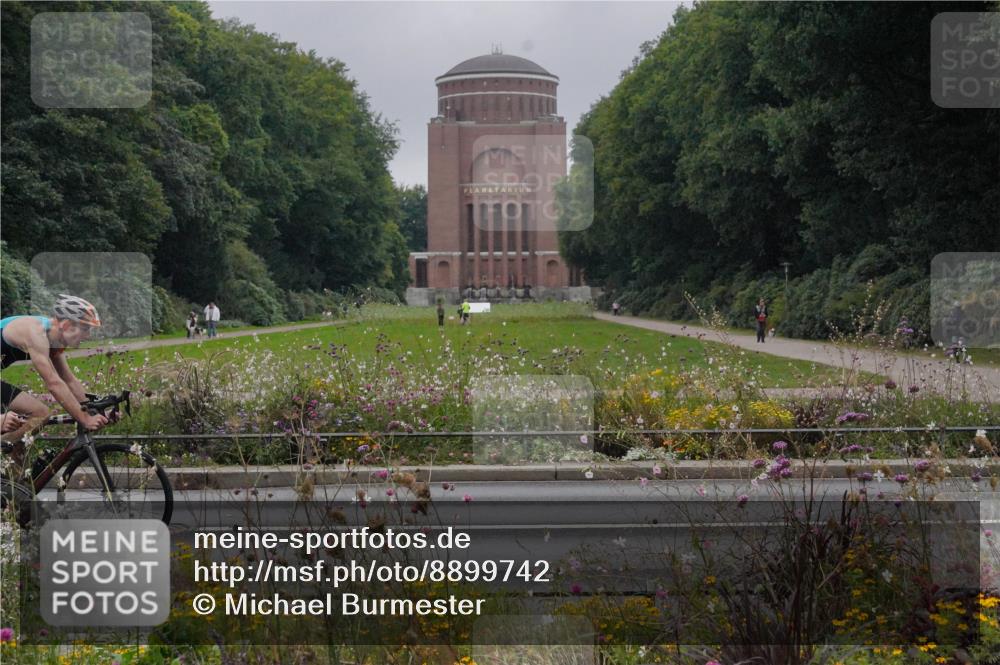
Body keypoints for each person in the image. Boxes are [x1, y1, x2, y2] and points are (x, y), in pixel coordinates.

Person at [1, 295, 109, 452]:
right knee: (40, 413)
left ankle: (8, 455)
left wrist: (92, 410)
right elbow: (53, 383)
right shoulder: (35, 333)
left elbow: (69, 380)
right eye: (85, 329)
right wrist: (84, 419)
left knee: (18, 446)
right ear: (66, 325)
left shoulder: (54, 340)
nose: (88, 335)